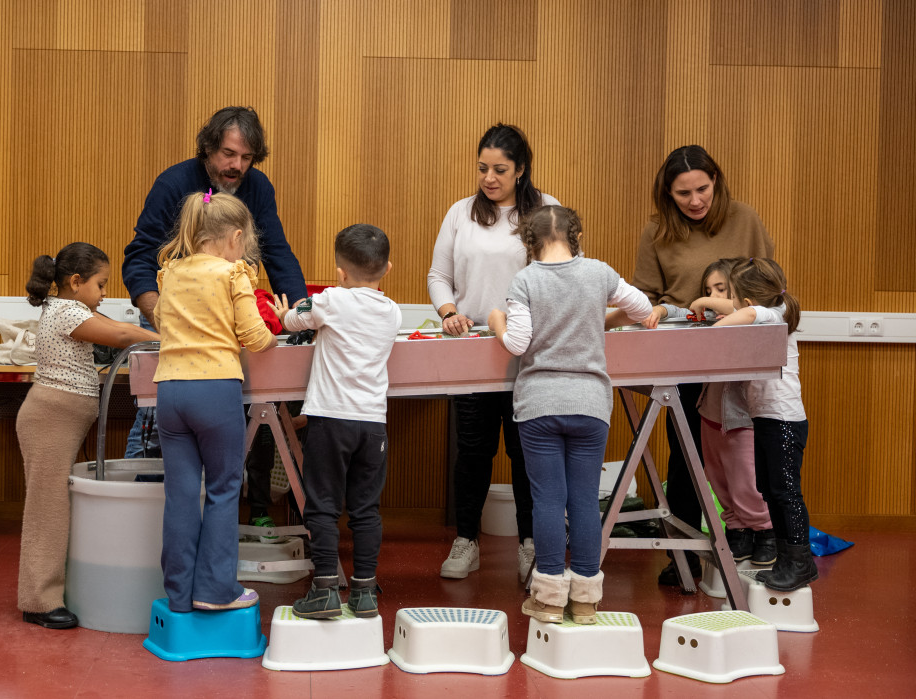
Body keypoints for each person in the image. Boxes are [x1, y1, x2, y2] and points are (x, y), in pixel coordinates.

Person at [488, 205, 654, 623]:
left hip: (540, 404)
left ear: (529, 241)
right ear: (576, 235)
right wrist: (598, 321)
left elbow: (519, 344)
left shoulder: (525, 280)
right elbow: (642, 308)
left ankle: (547, 599)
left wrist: (496, 322)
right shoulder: (598, 273)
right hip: (590, 404)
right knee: (582, 500)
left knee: (548, 500)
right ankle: (584, 600)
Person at [121, 106, 307, 469]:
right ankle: (139, 509)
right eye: (228, 154)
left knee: (216, 422)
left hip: (226, 320)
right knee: (154, 420)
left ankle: (202, 501)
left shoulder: (258, 186)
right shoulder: (172, 184)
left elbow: (278, 254)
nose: (237, 165)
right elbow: (140, 257)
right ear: (208, 148)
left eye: (246, 157)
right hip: (169, 316)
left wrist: (304, 312)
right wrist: (160, 316)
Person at [628, 144, 775, 587]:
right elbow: (645, 298)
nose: (695, 201)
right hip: (683, 356)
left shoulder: (745, 219)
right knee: (689, 453)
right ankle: (684, 553)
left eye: (703, 189)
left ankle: (759, 532)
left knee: (747, 450)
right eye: (682, 194)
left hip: (739, 356)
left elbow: (771, 284)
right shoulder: (657, 232)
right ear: (667, 194)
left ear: (717, 182)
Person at [428, 123, 561, 582]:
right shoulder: (461, 213)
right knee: (473, 451)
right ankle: (467, 540)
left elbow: (564, 273)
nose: (489, 178)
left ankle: (531, 543)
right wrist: (448, 312)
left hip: (532, 351)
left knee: (529, 451)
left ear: (521, 170)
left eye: (500, 169)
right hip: (475, 350)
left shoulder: (547, 211)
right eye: (483, 168)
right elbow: (438, 276)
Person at [17, 243, 160, 629]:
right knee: (47, 509)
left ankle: (54, 590)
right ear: (75, 282)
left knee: (58, 505)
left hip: (60, 417)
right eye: (101, 283)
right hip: (50, 417)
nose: (105, 292)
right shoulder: (67, 310)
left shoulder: (72, 308)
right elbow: (120, 334)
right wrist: (169, 334)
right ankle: (38, 601)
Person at [152, 190, 278, 613]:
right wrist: (274, 328)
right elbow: (256, 338)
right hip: (216, 387)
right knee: (224, 489)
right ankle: (216, 590)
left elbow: (163, 320)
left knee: (182, 493)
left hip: (169, 390)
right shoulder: (231, 274)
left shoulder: (169, 273)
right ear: (234, 237)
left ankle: (179, 595)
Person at [271, 224, 401, 619]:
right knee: (366, 508)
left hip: (330, 420)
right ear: (388, 269)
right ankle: (364, 593)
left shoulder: (330, 300)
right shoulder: (392, 311)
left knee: (323, 506)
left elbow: (293, 322)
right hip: (372, 424)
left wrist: (283, 312)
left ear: (340, 272)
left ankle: (325, 588)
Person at [663, 259, 777, 565]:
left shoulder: (753, 318)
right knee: (719, 479)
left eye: (720, 289)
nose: (712, 297)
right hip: (710, 417)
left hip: (739, 420)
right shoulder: (709, 319)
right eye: (707, 290)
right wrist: (668, 310)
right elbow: (683, 313)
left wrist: (705, 301)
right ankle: (738, 530)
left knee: (746, 481)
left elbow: (743, 313)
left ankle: (765, 531)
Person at [713, 258, 816, 591]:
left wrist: (722, 325)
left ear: (746, 300)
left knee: (786, 495)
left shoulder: (775, 313)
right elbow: (748, 318)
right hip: (768, 420)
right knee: (771, 491)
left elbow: (751, 314)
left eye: (733, 298)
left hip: (783, 421)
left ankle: (800, 563)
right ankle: (789, 560)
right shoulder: (773, 314)